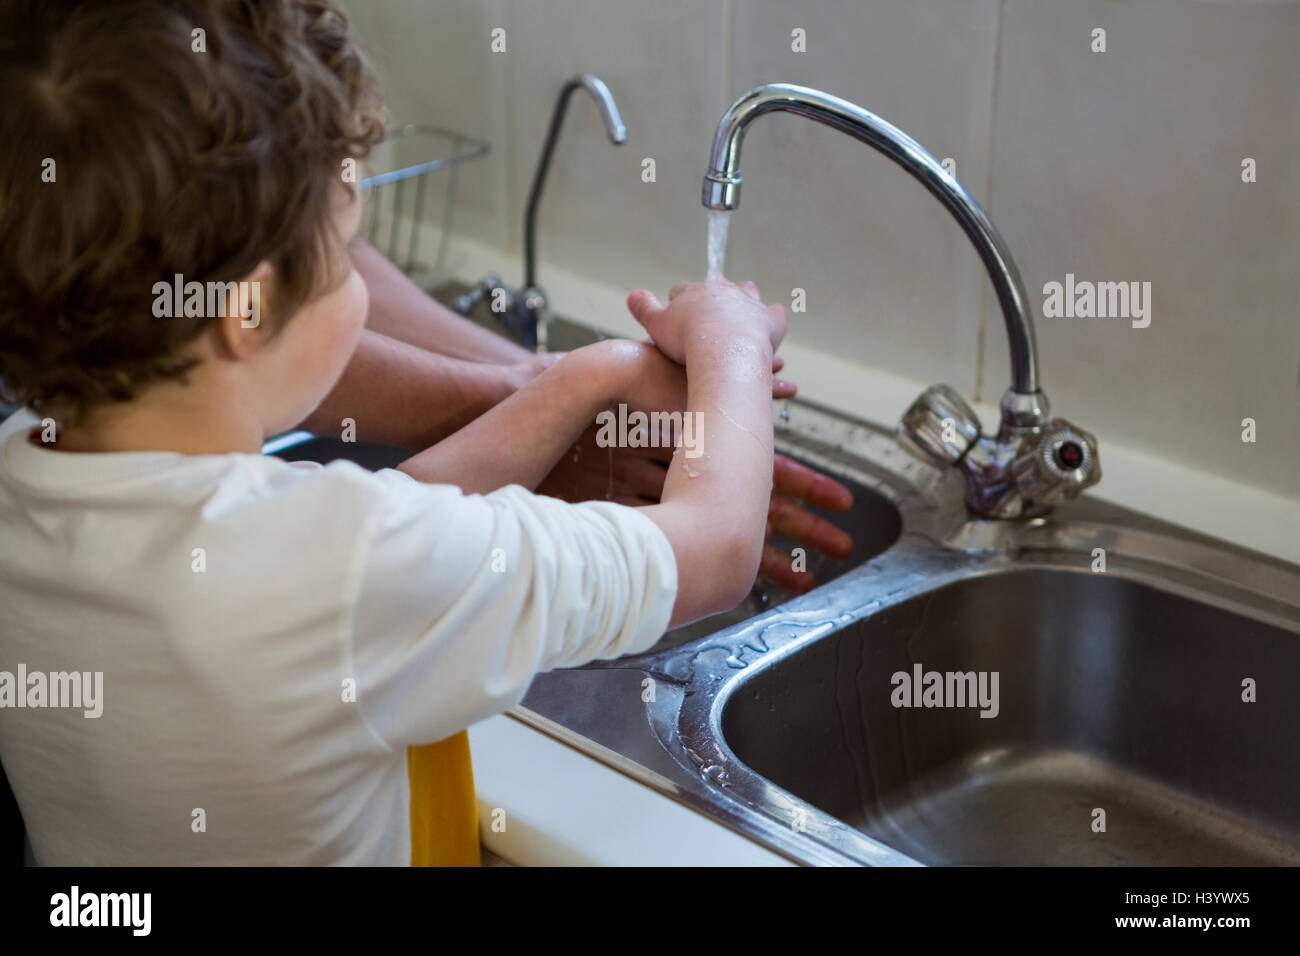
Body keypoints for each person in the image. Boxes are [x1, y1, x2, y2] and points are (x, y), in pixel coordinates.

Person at [0, 0, 848, 866]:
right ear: (247, 313)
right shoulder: (349, 568)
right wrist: (732, 348)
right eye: (348, 250)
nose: (362, 280)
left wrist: (583, 378)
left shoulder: (24, 471)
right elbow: (711, 553)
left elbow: (372, 523)